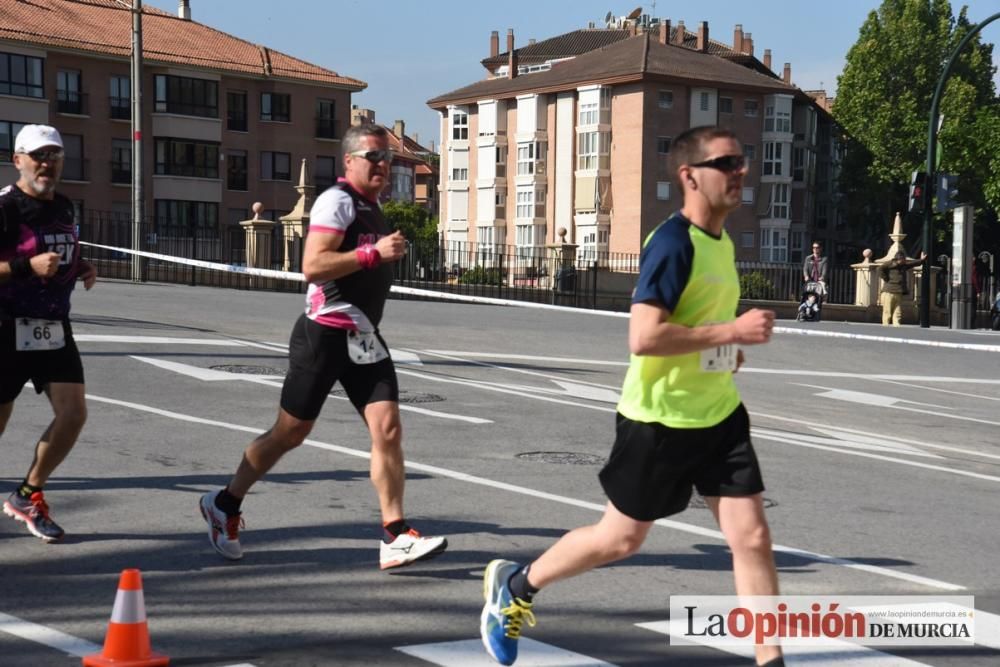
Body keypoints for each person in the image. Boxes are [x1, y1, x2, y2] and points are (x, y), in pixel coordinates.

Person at [479, 126, 783, 667]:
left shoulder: (722, 240)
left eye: (744, 160)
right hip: (658, 422)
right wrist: (729, 334)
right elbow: (643, 338)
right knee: (620, 540)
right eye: (727, 162)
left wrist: (723, 352)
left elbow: (698, 326)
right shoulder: (672, 243)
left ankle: (770, 658)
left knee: (753, 538)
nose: (741, 171)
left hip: (718, 417)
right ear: (690, 175)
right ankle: (519, 586)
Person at [199, 124, 446, 569]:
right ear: (349, 161)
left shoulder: (371, 207)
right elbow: (313, 265)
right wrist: (374, 254)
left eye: (387, 157)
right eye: (375, 157)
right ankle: (225, 502)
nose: (384, 165)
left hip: (364, 336)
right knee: (289, 434)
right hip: (324, 333)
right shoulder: (337, 201)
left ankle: (394, 535)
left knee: (387, 428)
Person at [1, 124, 97, 541]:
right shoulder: (5, 208)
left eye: (54, 155)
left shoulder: (64, 205)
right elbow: (28, 261)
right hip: (5, 326)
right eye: (38, 155)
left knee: (73, 414)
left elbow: (62, 249)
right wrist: (27, 267)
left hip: (53, 326)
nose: (47, 163)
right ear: (17, 160)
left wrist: (81, 266)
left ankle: (28, 494)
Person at [879, 250, 926, 326]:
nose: (904, 261)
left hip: (899, 291)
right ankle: (885, 324)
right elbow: (879, 269)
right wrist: (886, 278)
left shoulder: (903, 266)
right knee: (887, 310)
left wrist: (921, 260)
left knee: (898, 310)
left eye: (904, 260)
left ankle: (896, 324)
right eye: (903, 260)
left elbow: (912, 264)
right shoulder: (889, 264)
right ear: (898, 259)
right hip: (889, 291)